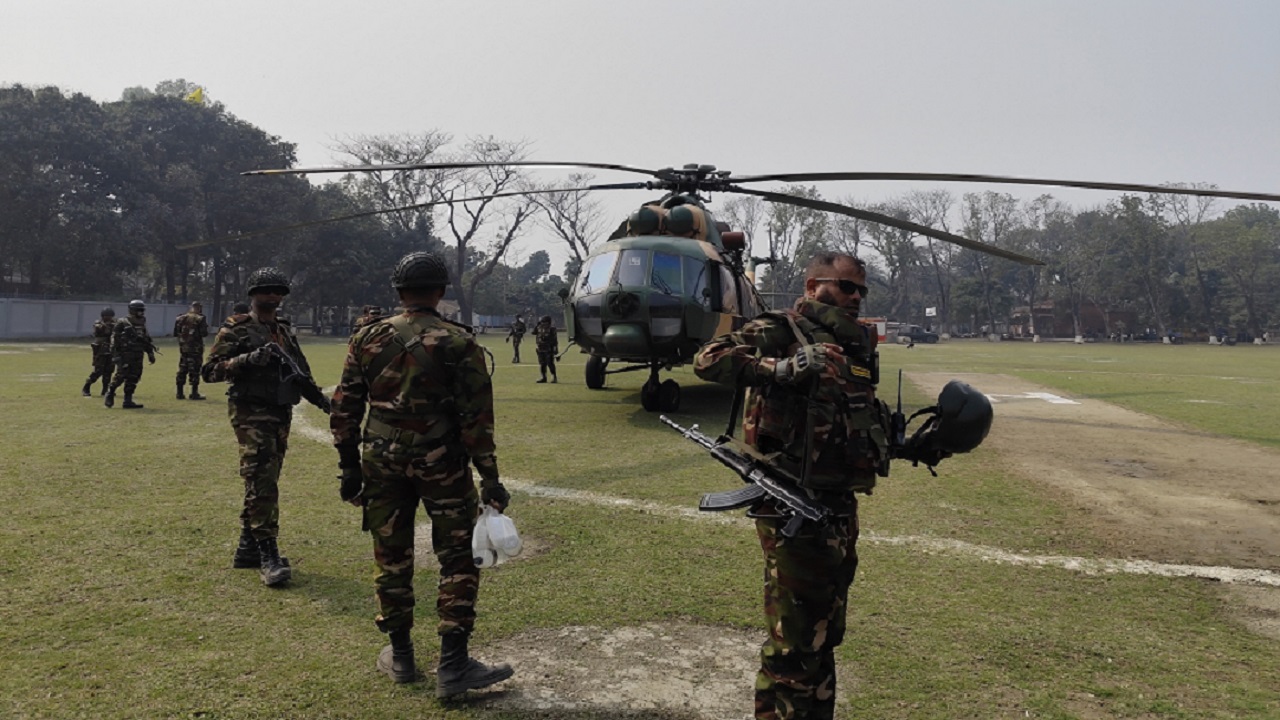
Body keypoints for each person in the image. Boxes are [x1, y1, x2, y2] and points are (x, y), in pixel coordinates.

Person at [693, 252, 894, 720]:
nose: (855, 298)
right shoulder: (783, 330)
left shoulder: (851, 349)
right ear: (812, 287)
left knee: (823, 636)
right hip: (792, 509)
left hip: (837, 511)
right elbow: (708, 358)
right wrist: (780, 369)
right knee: (795, 646)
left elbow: (852, 425)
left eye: (861, 290)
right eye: (846, 287)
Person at [330, 251, 514, 695]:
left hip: (380, 462)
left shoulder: (366, 338)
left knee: (390, 556)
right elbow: (477, 418)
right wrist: (489, 477)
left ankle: (401, 655)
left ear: (398, 292)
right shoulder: (459, 342)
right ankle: (453, 664)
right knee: (458, 558)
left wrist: (348, 467)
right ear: (441, 291)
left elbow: (345, 406)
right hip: (442, 461)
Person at [201, 267, 328, 587]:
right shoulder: (237, 329)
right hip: (251, 412)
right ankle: (268, 554)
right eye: (267, 290)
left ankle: (248, 547)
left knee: (263, 480)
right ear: (253, 294)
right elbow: (209, 372)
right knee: (262, 480)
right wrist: (246, 360)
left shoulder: (283, 330)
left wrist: (325, 404)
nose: (273, 295)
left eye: (279, 291)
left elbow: (301, 374)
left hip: (280, 411)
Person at [105, 299, 156, 409]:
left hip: (138, 353)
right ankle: (110, 393)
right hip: (125, 354)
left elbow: (146, 339)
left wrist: (150, 353)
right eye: (138, 310)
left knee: (134, 377)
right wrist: (116, 355)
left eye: (142, 310)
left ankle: (128, 400)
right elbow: (114, 339)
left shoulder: (142, 323)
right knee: (121, 375)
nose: (141, 313)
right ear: (132, 310)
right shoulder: (122, 322)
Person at [173, 301, 210, 400]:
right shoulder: (200, 318)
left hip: (184, 348)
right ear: (199, 308)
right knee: (195, 370)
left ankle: (179, 393)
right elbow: (204, 333)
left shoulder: (180, 318)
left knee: (182, 369)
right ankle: (194, 393)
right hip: (195, 349)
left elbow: (176, 333)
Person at [82, 307, 116, 397]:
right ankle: (87, 386)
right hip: (101, 350)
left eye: (110, 316)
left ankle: (105, 390)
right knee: (98, 370)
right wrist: (110, 326)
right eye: (107, 316)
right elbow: (100, 329)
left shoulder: (115, 324)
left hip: (111, 349)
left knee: (109, 371)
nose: (109, 318)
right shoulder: (99, 324)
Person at [533, 315, 558, 383]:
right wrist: (537, 324)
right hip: (540, 348)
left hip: (549, 349)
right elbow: (533, 332)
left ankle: (554, 377)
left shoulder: (552, 329)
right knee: (542, 364)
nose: (543, 323)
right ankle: (543, 377)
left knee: (550, 363)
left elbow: (555, 341)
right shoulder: (539, 327)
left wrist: (556, 351)